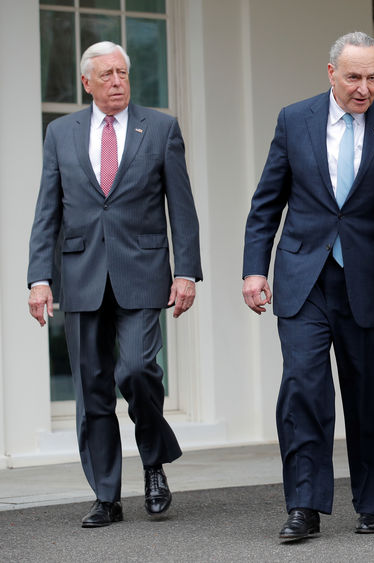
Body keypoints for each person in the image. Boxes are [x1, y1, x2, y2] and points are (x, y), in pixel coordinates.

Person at [241, 32, 374, 541]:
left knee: (369, 397)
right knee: (302, 390)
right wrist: (255, 270)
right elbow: (266, 201)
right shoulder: (295, 119)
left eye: (372, 77)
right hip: (303, 279)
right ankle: (304, 506)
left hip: (371, 280)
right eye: (354, 77)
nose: (364, 88)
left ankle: (372, 501)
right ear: (331, 72)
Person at [27, 41, 202, 528]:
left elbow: (181, 208)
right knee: (93, 389)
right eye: (106, 75)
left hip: (143, 272)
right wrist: (39, 278)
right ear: (87, 82)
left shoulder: (161, 127)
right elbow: (48, 210)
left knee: (138, 370)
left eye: (123, 73)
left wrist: (185, 271)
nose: (118, 81)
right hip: (80, 276)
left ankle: (153, 462)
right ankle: (106, 494)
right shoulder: (61, 132)